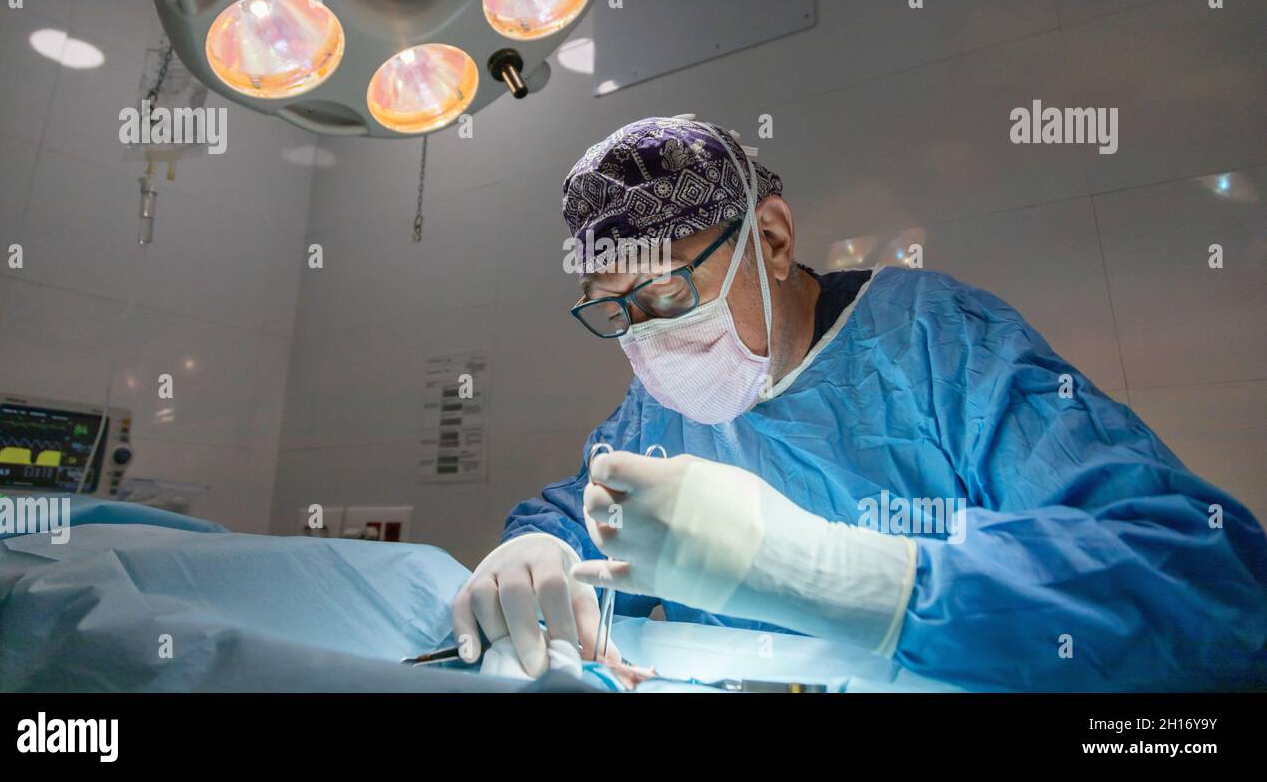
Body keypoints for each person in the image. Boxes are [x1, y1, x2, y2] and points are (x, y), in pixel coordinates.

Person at [451, 116, 1267, 690]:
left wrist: (834, 575)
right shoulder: (657, 408)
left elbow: (1211, 586)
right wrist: (539, 556)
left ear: (770, 239)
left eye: (665, 293)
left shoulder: (933, 343)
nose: (647, 342)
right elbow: (580, 512)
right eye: (614, 310)